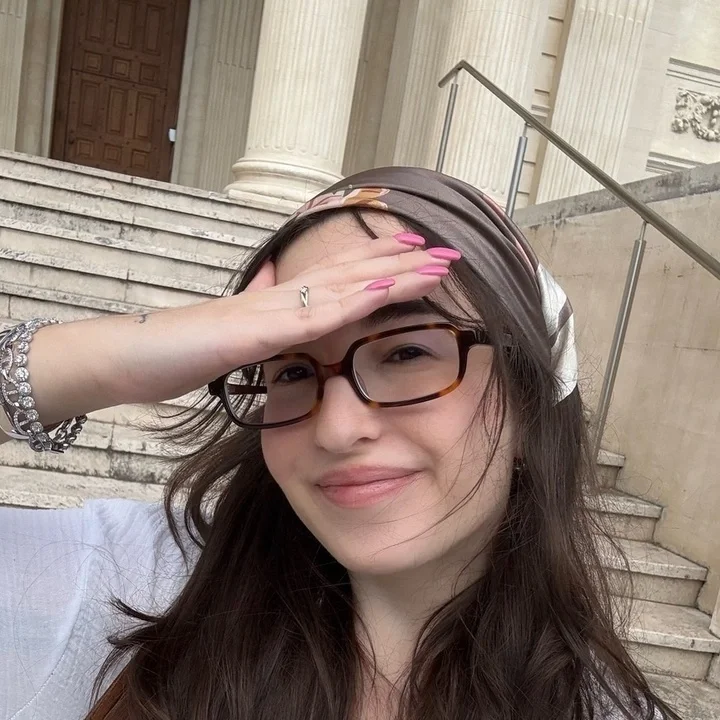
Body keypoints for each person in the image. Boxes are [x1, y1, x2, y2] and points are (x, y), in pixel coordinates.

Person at [0, 167, 675, 720]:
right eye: (292, 370)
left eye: (408, 352)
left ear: (528, 404)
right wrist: (114, 359)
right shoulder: (129, 584)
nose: (337, 427)